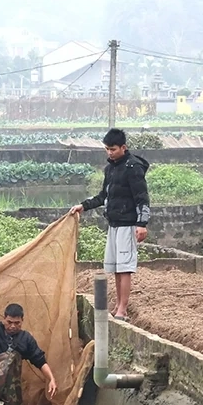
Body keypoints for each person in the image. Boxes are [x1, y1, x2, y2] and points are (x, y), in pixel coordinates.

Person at [70, 128, 150, 322]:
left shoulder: (133, 168)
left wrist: (142, 224)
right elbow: (103, 196)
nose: (109, 153)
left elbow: (142, 198)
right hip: (114, 223)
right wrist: (84, 206)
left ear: (124, 147)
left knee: (125, 268)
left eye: (113, 149)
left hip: (128, 224)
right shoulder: (111, 169)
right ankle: (118, 305)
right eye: (107, 149)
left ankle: (123, 308)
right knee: (116, 267)